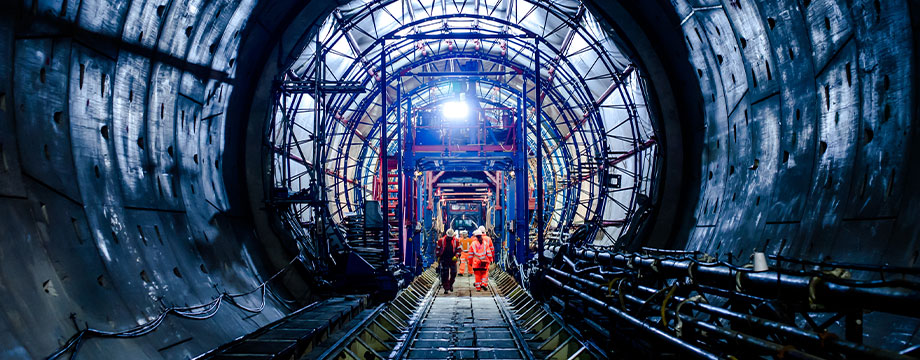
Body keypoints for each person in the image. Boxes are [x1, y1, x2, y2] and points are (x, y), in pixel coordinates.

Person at [436, 229, 461, 294]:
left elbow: (459, 249)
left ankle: (450, 284)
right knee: (445, 274)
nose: (450, 238)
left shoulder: (456, 241)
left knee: (454, 273)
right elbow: (438, 249)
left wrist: (456, 256)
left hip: (452, 259)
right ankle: (446, 288)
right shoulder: (441, 240)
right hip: (444, 259)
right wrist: (438, 256)